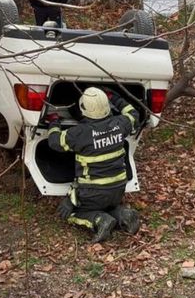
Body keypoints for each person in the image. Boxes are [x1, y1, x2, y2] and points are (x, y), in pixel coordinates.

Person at [46, 87, 141, 243]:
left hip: (92, 193)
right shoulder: (120, 124)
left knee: (72, 214)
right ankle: (122, 214)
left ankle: (99, 220)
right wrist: (114, 96)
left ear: (83, 108)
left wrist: (54, 121)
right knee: (108, 205)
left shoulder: (79, 133)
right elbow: (133, 114)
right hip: (118, 189)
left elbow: (55, 141)